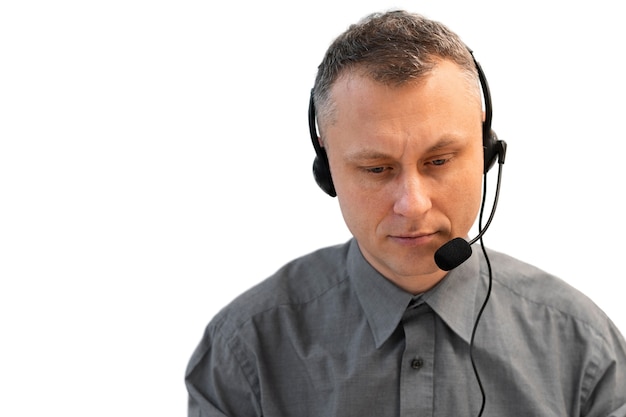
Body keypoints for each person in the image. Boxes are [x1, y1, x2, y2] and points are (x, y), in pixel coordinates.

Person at [185, 10, 626, 416]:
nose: (413, 204)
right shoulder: (244, 351)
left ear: (486, 148)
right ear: (327, 168)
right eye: (377, 169)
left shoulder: (584, 349)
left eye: (439, 161)